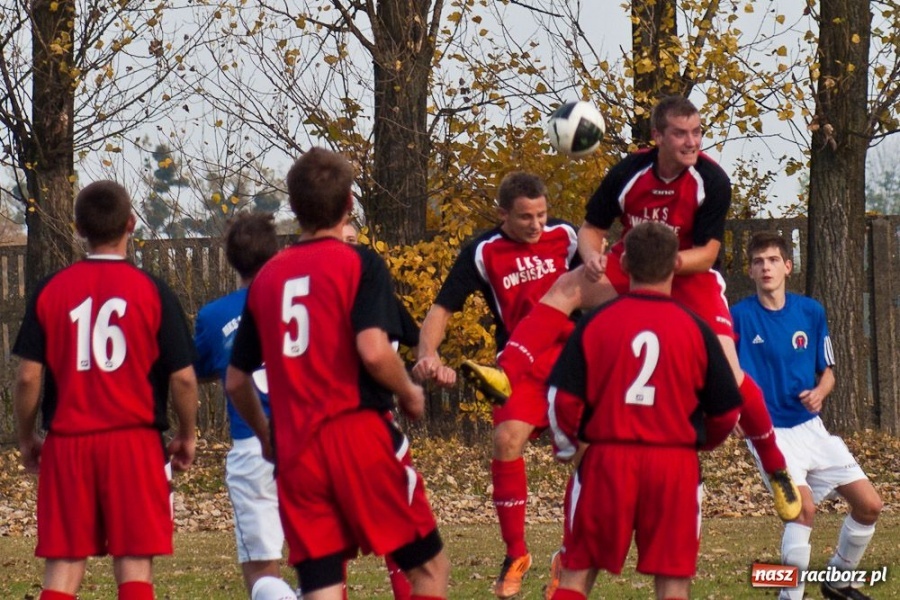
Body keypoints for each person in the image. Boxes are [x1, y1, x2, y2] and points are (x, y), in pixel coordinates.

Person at [478, 96, 800, 525]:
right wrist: (591, 256)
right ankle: (507, 372)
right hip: (635, 264)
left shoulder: (712, 180)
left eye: (697, 132)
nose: (691, 142)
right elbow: (591, 229)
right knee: (567, 286)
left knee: (732, 374)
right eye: (681, 134)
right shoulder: (629, 172)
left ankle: (775, 467)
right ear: (657, 137)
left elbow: (708, 254)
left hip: (688, 274)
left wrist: (661, 262)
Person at [225, 147, 450, 600]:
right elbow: (373, 350)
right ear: (349, 203)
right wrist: (408, 390)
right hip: (355, 433)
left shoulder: (268, 278)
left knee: (322, 585)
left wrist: (266, 435)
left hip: (296, 449)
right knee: (428, 568)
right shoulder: (358, 262)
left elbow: (235, 379)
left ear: (293, 207)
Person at [13, 180, 199, 600]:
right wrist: (186, 434)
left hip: (69, 442)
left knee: (63, 566)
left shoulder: (51, 289)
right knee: (134, 565)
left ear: (78, 228)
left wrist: (27, 436)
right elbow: (184, 378)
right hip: (134, 442)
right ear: (131, 223)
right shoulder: (153, 290)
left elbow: (27, 377)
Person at [546, 221, 743, 600]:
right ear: (675, 266)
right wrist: (700, 444)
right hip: (674, 465)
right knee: (673, 583)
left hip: (607, 461)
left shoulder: (595, 322)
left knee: (576, 573)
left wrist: (568, 447)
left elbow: (561, 399)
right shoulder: (696, 328)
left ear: (624, 265)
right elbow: (727, 412)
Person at [412, 171, 578, 598]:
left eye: (542, 214)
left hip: (571, 360)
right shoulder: (482, 252)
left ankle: (570, 555)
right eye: (525, 217)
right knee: (505, 441)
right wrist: (428, 354)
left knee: (588, 453)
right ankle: (516, 554)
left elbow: (604, 279)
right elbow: (442, 309)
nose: (537, 225)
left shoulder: (567, 237)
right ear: (503, 214)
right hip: (517, 364)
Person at [731, 232, 883, 600]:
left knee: (870, 505)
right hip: (768, 433)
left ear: (788, 266)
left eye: (772, 260)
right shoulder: (738, 317)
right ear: (750, 271)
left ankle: (837, 581)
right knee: (802, 510)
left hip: (812, 429)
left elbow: (827, 372)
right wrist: (731, 410)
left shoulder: (811, 312)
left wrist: (820, 392)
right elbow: (721, 371)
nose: (765, 267)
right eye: (758, 262)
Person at [193, 213, 298, 600]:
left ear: (230, 260)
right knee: (321, 561)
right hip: (307, 440)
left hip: (253, 446)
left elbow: (199, 368)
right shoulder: (299, 302)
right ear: (277, 252)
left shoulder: (214, 315)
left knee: (261, 570)